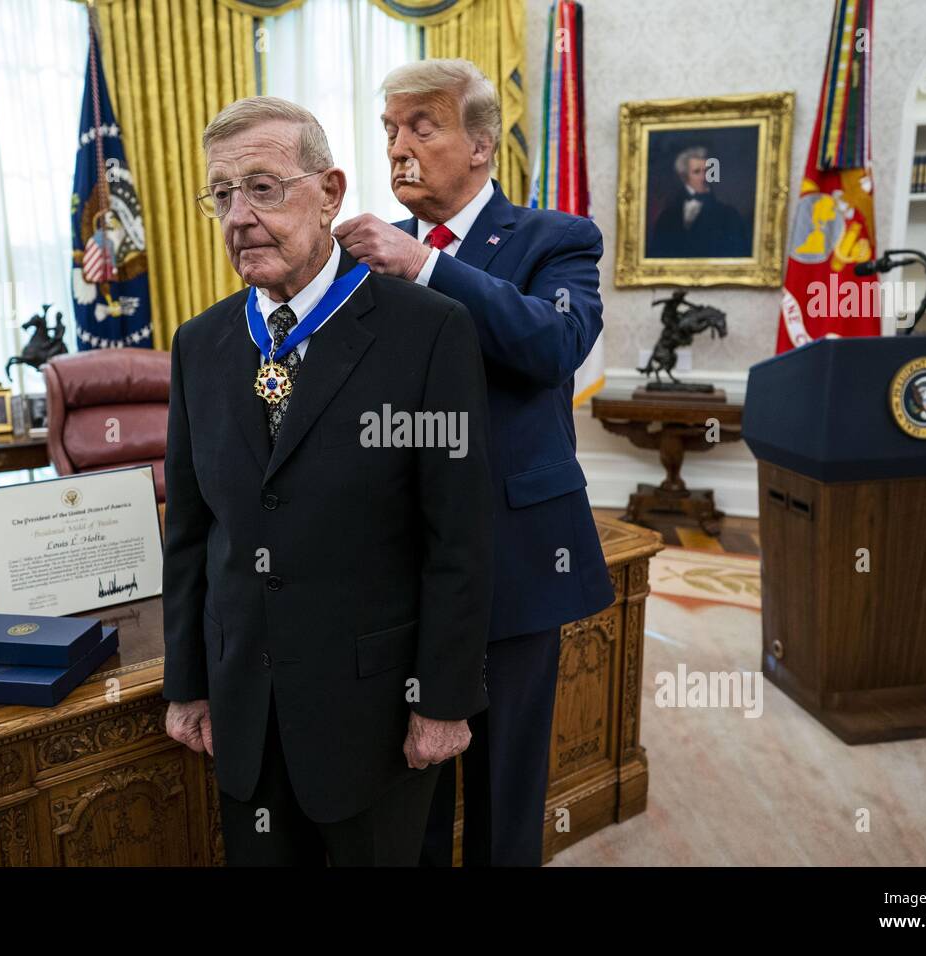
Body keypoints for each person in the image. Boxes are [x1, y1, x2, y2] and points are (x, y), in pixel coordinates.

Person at [162, 96, 493, 866]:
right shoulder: (199, 346)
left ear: (332, 192)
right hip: (245, 711)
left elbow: (460, 540)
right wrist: (188, 681)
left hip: (377, 722)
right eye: (221, 194)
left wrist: (443, 702)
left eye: (263, 187)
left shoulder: (429, 331)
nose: (238, 215)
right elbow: (190, 533)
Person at [333, 59, 613, 867]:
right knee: (411, 786)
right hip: (396, 570)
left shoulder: (554, 239)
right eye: (389, 130)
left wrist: (424, 266)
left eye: (423, 126)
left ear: (482, 143)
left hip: (515, 560)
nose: (399, 149)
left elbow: (550, 343)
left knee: (502, 796)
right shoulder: (362, 257)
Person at [646, 145, 750, 258]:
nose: (704, 177)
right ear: (683, 177)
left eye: (708, 171)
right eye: (697, 172)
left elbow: (738, 256)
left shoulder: (729, 215)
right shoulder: (667, 216)